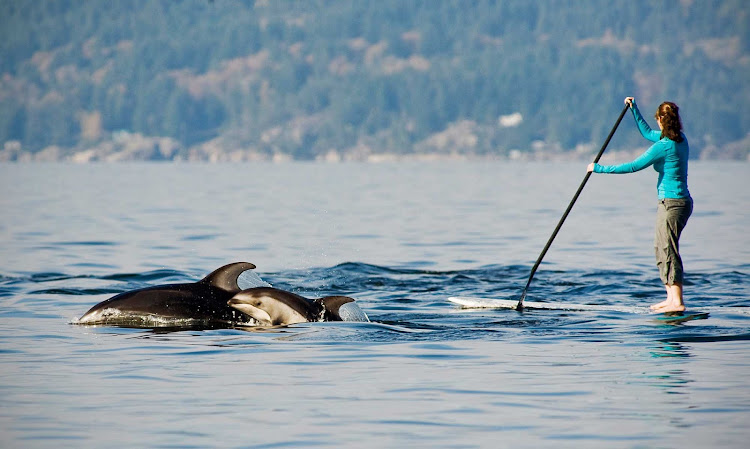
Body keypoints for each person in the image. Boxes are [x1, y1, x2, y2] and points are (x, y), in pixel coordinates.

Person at [587, 97, 692, 313]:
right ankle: (670, 297)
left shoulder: (664, 146)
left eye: (657, 121)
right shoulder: (680, 139)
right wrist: (633, 109)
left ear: (662, 120)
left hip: (672, 204)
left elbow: (633, 166)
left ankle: (677, 301)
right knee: (662, 248)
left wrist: (599, 169)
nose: (657, 125)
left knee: (668, 249)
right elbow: (646, 133)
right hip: (678, 203)